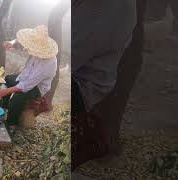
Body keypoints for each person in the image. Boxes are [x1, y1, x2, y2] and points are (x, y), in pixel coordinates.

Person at [72, 0, 137, 169]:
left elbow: (69, 57)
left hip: (81, 84)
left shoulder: (112, 8)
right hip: (71, 70)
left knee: (21, 92)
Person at [0, 25, 58, 135]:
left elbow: (27, 86)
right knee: (7, 79)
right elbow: (19, 41)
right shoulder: (36, 47)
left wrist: (5, 91)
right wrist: (12, 42)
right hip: (26, 77)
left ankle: (11, 125)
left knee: (17, 98)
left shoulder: (48, 64)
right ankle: (2, 108)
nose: (27, 48)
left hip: (37, 87)